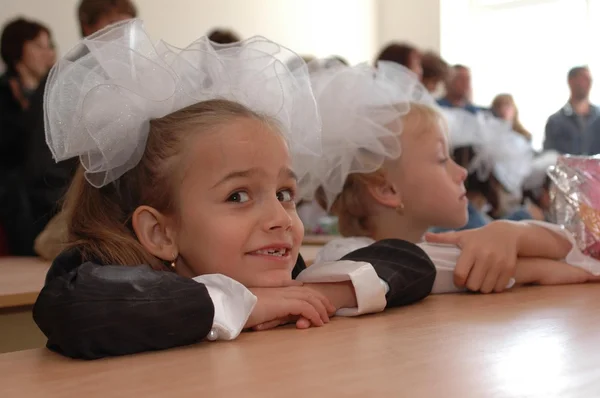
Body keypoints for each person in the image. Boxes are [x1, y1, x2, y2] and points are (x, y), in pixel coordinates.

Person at [33, 20, 436, 359]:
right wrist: (243, 306)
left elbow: (411, 264)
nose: (280, 218)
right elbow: (74, 308)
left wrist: (324, 292)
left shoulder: (277, 273)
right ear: (161, 233)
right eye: (238, 196)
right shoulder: (93, 282)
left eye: (284, 194)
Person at [301, 60, 600, 295]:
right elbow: (419, 269)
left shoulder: (440, 246)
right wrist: (529, 269)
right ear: (387, 188)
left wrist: (513, 233)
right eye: (442, 159)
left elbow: (570, 249)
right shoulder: (345, 256)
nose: (462, 171)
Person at [22, 0, 138, 258]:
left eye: (127, 27)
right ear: (88, 28)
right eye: (112, 25)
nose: (121, 35)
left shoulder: (133, 78)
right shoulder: (65, 82)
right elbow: (45, 171)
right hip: (75, 212)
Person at [0, 17, 54, 255]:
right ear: (18, 49)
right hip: (16, 187)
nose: (48, 53)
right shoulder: (4, 93)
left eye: (49, 46)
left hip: (46, 180)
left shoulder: (52, 91)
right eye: (39, 46)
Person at [543, 66, 600, 155]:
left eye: (589, 80)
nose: (588, 83)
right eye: (583, 79)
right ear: (571, 81)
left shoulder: (598, 118)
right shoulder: (555, 121)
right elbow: (549, 156)